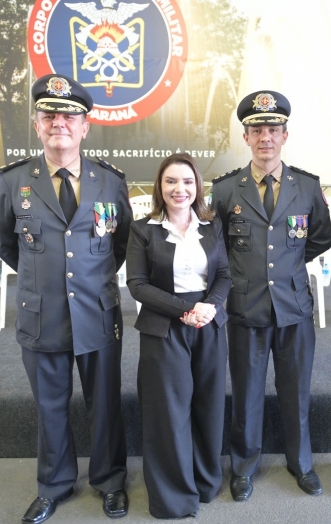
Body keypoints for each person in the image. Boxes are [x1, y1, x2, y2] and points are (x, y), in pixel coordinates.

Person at [0, 74, 132, 523]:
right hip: (42, 315)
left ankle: (111, 481)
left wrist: (89, 282)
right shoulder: (13, 181)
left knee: (105, 403)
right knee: (50, 407)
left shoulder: (110, 182)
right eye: (50, 115)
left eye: (69, 116)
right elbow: (5, 242)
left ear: (84, 126)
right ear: (37, 125)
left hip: (96, 311)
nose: (59, 122)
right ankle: (54, 484)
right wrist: (43, 277)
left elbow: (121, 244)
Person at [211, 90, 331, 501]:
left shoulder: (308, 186)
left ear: (285, 135)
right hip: (246, 306)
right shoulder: (226, 190)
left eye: (273, 130)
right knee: (245, 392)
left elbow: (319, 239)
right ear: (245, 137)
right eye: (257, 130)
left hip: (294, 306)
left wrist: (285, 268)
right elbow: (218, 248)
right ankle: (243, 467)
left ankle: (302, 464)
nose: (266, 137)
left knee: (296, 390)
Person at [125, 154, 231, 519]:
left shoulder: (212, 226)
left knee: (208, 406)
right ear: (160, 186)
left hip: (209, 325)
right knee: (168, 413)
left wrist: (210, 306)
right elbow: (136, 284)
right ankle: (173, 497)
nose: (179, 189)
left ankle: (204, 482)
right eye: (171, 181)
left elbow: (224, 275)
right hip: (164, 327)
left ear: (197, 186)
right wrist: (183, 310)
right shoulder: (143, 229)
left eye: (187, 181)